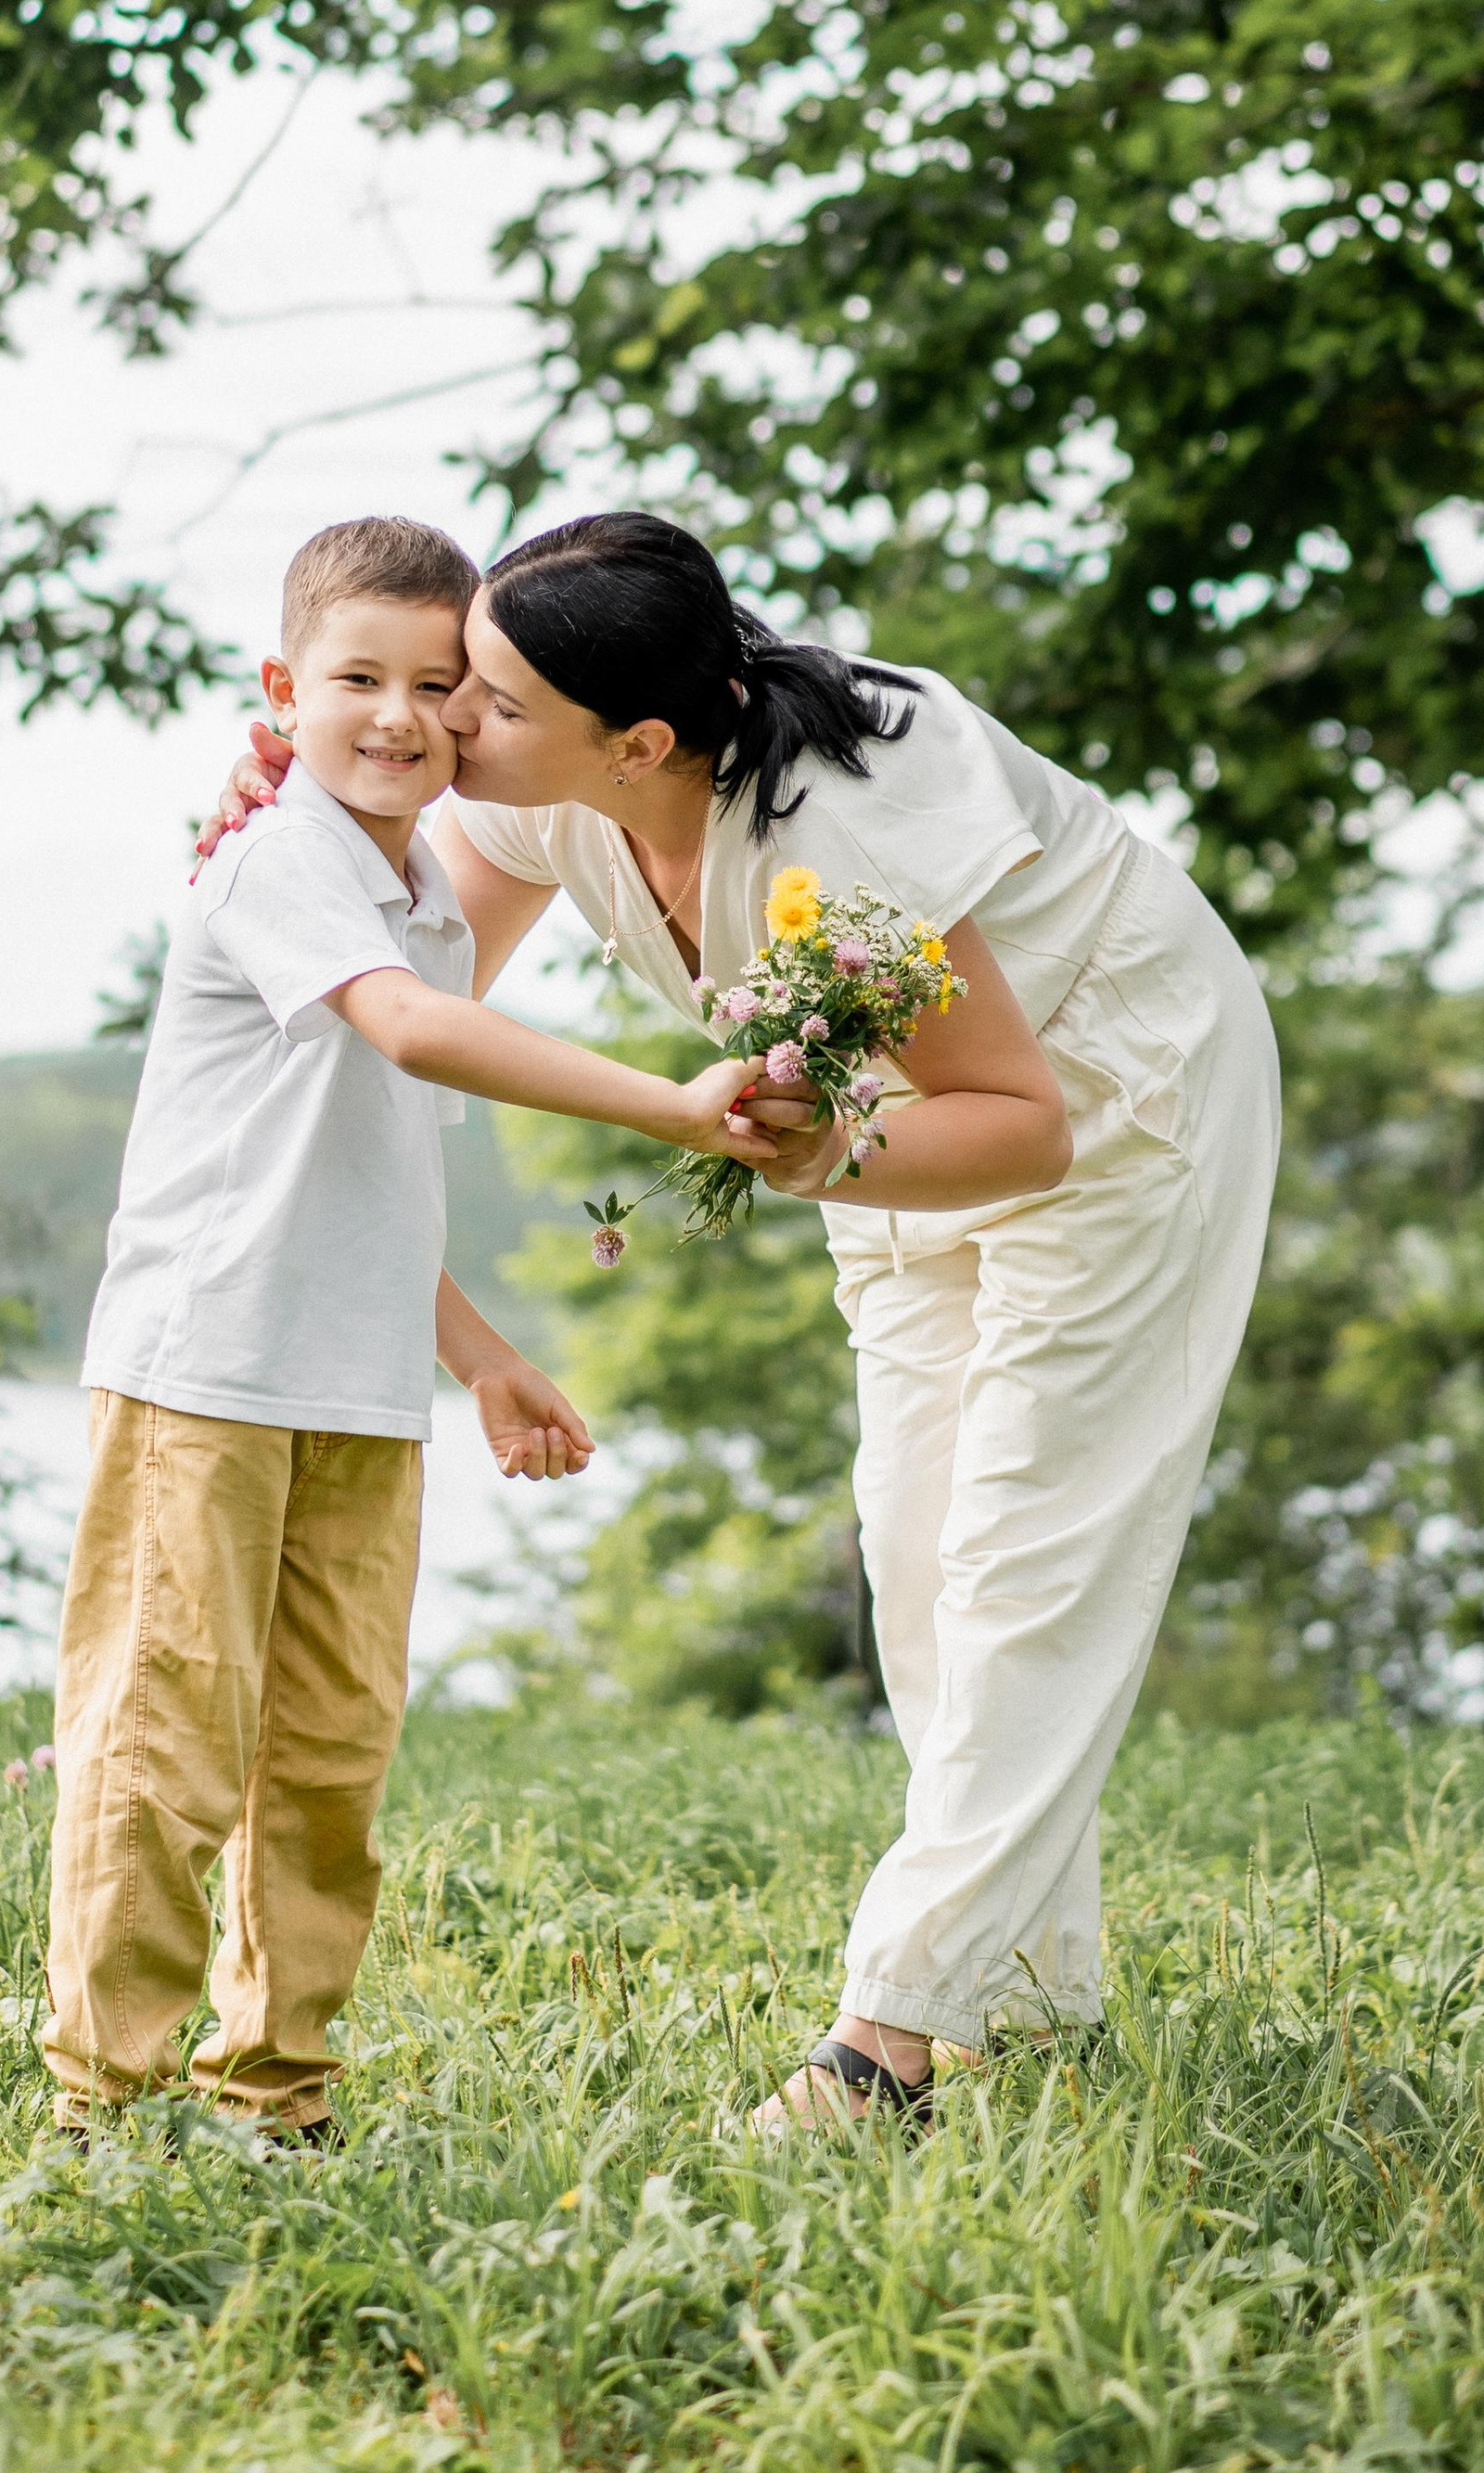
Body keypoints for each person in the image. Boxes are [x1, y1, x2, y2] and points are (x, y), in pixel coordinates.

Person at [198, 509, 1281, 2131]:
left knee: (1024, 1566)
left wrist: (813, 1147)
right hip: (885, 1143)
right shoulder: (562, 797)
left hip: (1117, 1110)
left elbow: (1023, 1123)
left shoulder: (836, 826)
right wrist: (294, 818)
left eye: (482, 699)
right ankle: (1034, 2009)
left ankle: (884, 2050)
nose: (447, 721)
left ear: (636, 741)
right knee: (918, 1569)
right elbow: (418, 967)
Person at [45, 515, 771, 2145]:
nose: (396, 714)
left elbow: (370, 1180)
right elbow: (416, 1038)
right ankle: (107, 2098)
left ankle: (282, 2087)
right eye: (356, 677)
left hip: (360, 1391)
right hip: (203, 1374)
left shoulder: (419, 889)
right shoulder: (280, 858)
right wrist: (677, 1109)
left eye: (439, 685)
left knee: (324, 1758)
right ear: (279, 688)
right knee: (165, 1744)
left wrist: (486, 1356)